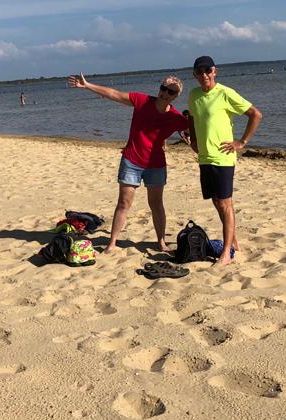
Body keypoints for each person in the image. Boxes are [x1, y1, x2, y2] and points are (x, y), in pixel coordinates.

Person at [67, 72, 190, 253]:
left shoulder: (176, 118)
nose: (165, 93)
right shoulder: (142, 101)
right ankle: (112, 243)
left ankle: (161, 242)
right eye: (163, 88)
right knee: (124, 203)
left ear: (176, 96)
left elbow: (196, 131)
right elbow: (113, 94)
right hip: (132, 160)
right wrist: (87, 85)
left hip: (155, 164)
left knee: (156, 204)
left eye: (170, 91)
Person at [186, 56, 262, 266]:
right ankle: (234, 242)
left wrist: (242, 141)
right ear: (194, 75)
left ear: (214, 71)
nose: (203, 75)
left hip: (223, 158)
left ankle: (226, 253)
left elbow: (255, 114)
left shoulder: (225, 93)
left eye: (207, 71)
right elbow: (192, 117)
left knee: (226, 204)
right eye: (199, 72)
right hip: (204, 157)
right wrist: (193, 139)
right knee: (217, 202)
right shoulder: (193, 95)